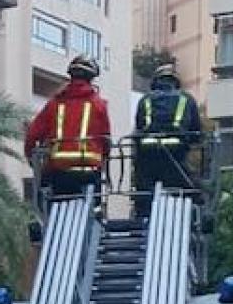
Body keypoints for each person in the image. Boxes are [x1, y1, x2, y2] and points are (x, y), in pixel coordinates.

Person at [25, 55, 112, 203]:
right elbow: (106, 138)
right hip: (89, 170)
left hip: (60, 170)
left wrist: (30, 157)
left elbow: (33, 133)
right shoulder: (99, 105)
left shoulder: (54, 104)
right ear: (91, 78)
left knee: (53, 208)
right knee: (93, 213)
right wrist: (103, 159)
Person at [132, 64, 203, 217]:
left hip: (148, 156)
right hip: (176, 156)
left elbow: (139, 128)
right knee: (190, 190)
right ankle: (190, 214)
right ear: (175, 82)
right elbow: (197, 132)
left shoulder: (145, 100)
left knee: (144, 193)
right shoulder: (187, 99)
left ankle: (142, 216)